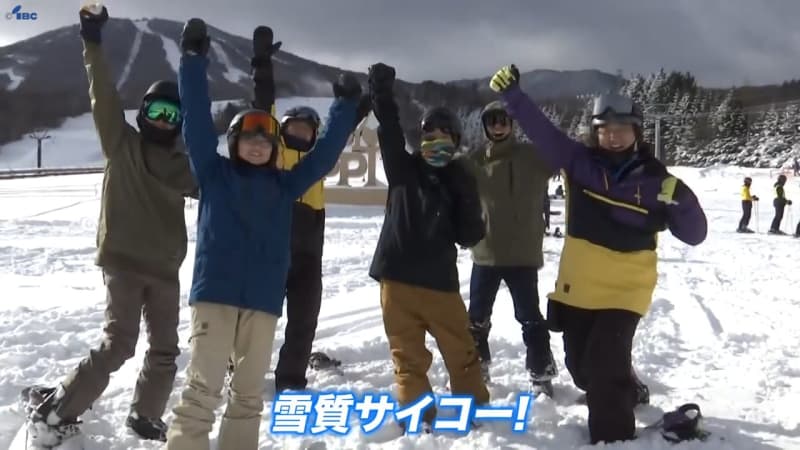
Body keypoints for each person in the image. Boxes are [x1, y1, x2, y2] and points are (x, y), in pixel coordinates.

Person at [164, 19, 361, 450]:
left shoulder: (285, 185)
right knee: (202, 391)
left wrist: (344, 106)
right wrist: (193, 61)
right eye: (248, 136)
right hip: (215, 296)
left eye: (265, 139)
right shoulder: (213, 174)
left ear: (275, 149)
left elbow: (323, 155)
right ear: (234, 142)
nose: (256, 144)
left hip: (263, 301)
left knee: (248, 396)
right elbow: (195, 120)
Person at [489, 65, 707, 444]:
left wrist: (683, 200)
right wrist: (514, 96)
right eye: (605, 130)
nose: (613, 136)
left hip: (626, 291)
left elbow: (695, 235)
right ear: (595, 132)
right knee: (582, 368)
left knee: (604, 365)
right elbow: (543, 133)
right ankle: (628, 387)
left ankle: (612, 438)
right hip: (580, 288)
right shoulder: (580, 163)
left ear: (637, 132)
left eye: (622, 129)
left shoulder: (657, 180)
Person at [27, 5, 198, 445]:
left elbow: (224, 186)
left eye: (172, 115)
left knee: (165, 350)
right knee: (119, 344)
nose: (163, 120)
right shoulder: (121, 143)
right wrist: (92, 41)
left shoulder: (184, 167)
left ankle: (145, 416)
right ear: (143, 113)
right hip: (124, 263)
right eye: (157, 111)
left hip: (165, 271)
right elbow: (102, 94)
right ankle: (57, 410)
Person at [367, 62, 489, 432]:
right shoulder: (403, 169)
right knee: (407, 357)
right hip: (396, 280)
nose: (436, 142)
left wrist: (467, 197)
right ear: (420, 139)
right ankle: (418, 417)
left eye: (445, 136)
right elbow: (389, 128)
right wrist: (381, 91)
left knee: (461, 351)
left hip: (439, 284)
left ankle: (474, 411)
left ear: (456, 141)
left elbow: (469, 236)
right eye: (429, 135)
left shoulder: (459, 179)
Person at [460, 101, 557, 396]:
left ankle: (541, 374)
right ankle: (477, 369)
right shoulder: (473, 161)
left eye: (504, 120)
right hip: (485, 253)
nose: (499, 126)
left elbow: (563, 152)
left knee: (530, 317)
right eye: (492, 121)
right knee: (476, 318)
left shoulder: (534, 157)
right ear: (485, 126)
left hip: (523, 255)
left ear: (513, 124)